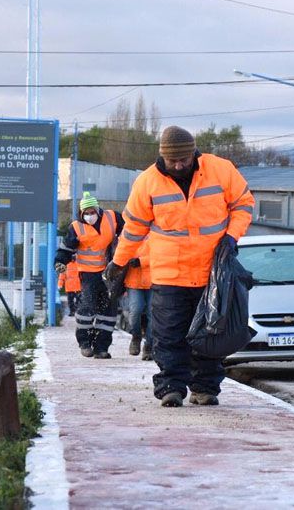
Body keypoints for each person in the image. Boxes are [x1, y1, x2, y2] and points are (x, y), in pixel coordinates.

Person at [104, 125, 254, 407]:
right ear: (163, 157)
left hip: (212, 272)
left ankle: (205, 388)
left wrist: (232, 237)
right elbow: (134, 228)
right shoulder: (147, 182)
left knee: (211, 332)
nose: (178, 165)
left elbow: (243, 204)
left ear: (193, 153)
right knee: (168, 333)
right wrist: (119, 261)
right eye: (173, 161)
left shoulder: (220, 170)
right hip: (169, 273)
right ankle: (171, 386)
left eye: (184, 160)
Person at [55, 192, 124, 359]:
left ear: (98, 210)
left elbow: (128, 232)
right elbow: (65, 249)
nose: (89, 215)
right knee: (88, 307)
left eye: (92, 211)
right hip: (88, 274)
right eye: (86, 213)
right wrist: (60, 262)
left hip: (109, 272)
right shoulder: (76, 227)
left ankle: (101, 347)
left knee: (108, 311)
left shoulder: (112, 217)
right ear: (81, 213)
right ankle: (84, 342)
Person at [123, 238, 153, 359]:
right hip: (133, 281)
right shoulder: (129, 231)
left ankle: (149, 346)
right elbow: (122, 250)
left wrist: (142, 261)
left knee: (153, 315)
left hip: (153, 281)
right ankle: (136, 337)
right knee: (135, 311)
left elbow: (162, 254)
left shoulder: (156, 231)